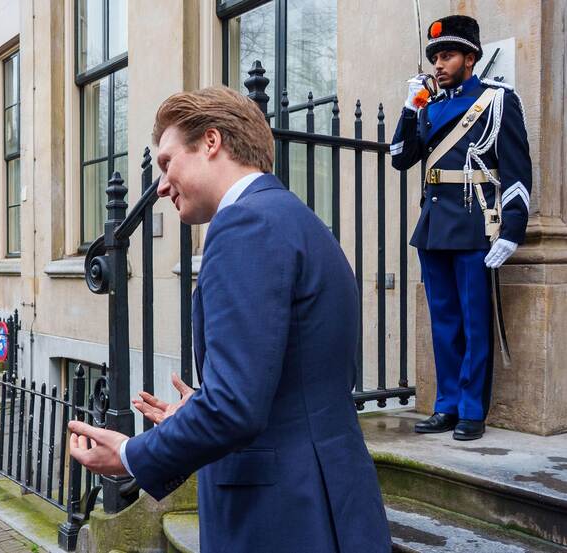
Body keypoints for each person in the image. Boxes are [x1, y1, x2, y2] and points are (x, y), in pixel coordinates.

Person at [67, 87, 390, 552]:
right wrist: (198, 407)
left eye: (166, 162)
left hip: (283, 517)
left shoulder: (245, 227)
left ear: (212, 141)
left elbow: (235, 408)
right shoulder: (302, 222)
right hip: (329, 501)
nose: (160, 186)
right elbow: (294, 384)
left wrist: (131, 454)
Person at [391, 15, 531, 440]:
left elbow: (517, 171)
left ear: (470, 58)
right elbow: (400, 157)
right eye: (435, 57)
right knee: (444, 323)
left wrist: (511, 231)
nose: (438, 64)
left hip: (474, 225)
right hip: (434, 226)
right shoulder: (428, 108)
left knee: (473, 323)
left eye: (447, 55)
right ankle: (447, 405)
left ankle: (472, 409)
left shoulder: (496, 101)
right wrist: (409, 107)